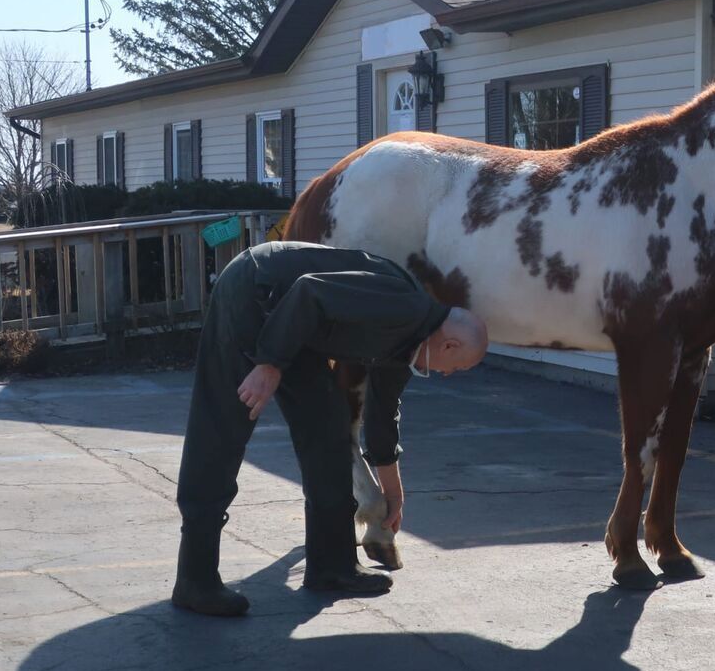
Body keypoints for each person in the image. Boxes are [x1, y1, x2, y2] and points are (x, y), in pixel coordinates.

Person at [171, 240, 489, 617]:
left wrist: (392, 494)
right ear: (450, 344)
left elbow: (382, 415)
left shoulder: (409, 343)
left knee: (330, 432)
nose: (448, 375)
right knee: (221, 431)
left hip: (298, 324)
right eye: (457, 367)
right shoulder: (401, 307)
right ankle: (195, 579)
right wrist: (269, 364)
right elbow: (308, 290)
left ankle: (332, 567)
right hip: (253, 292)